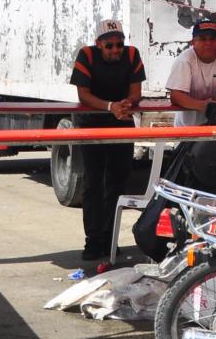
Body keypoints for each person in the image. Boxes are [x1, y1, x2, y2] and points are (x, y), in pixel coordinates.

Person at [69, 19, 146, 260]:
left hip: (121, 120)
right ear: (99, 44)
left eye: (119, 45)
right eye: (110, 45)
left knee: (117, 183)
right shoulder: (86, 55)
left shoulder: (132, 55)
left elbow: (136, 91)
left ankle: (110, 238)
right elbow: (83, 94)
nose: (115, 50)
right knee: (93, 183)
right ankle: (93, 241)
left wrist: (126, 105)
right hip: (91, 122)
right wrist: (110, 106)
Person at [165, 19, 216, 127]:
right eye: (202, 39)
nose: (208, 43)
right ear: (193, 42)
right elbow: (176, 96)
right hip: (187, 128)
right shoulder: (184, 60)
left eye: (213, 39)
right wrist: (205, 106)